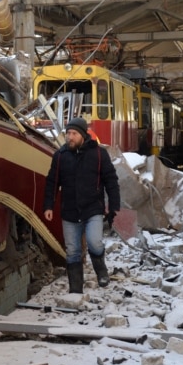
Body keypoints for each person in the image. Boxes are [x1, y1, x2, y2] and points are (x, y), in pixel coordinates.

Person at [43, 117, 121, 293]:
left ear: (83, 135)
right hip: (69, 212)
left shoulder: (99, 154)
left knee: (94, 242)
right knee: (72, 251)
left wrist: (114, 205)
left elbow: (111, 180)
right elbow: (52, 182)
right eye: (68, 133)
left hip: (92, 209)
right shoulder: (60, 156)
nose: (69, 137)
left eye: (74, 133)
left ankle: (101, 271)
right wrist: (48, 205)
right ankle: (75, 290)